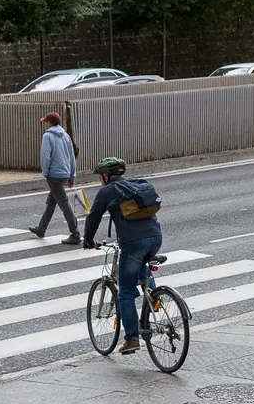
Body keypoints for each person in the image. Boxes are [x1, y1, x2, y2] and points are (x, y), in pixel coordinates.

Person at [83, 157, 162, 355]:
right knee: (140, 263)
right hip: (155, 237)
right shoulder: (136, 184)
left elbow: (93, 217)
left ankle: (131, 339)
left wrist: (88, 240)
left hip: (133, 243)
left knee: (125, 293)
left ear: (106, 175)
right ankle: (154, 296)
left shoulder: (107, 191)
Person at [29, 112, 81, 245]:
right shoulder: (66, 136)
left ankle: (75, 233)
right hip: (64, 173)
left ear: (49, 123)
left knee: (64, 203)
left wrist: (45, 172)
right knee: (51, 202)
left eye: (46, 121)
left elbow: (45, 156)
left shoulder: (47, 136)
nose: (45, 123)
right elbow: (71, 157)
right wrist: (72, 176)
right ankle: (41, 229)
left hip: (53, 174)